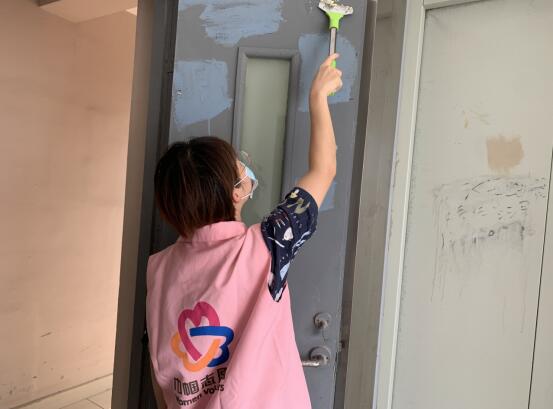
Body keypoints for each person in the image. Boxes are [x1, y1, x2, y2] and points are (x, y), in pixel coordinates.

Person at [146, 53, 342, 409]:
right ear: (236, 192)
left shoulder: (158, 269)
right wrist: (318, 97)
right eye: (239, 166)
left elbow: (163, 374)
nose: (246, 166)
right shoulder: (268, 245)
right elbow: (323, 170)